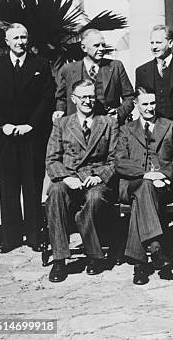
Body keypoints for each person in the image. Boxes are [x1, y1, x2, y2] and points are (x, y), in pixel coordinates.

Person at [0, 23, 54, 253]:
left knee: (32, 184)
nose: (20, 42)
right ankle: (11, 238)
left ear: (29, 39)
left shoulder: (40, 64)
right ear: (7, 41)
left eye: (23, 37)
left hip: (31, 136)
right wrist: (3, 125)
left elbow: (47, 98)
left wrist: (31, 125)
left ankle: (35, 236)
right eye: (15, 38)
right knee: (8, 187)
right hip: (5, 137)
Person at [45, 79, 119, 282]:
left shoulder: (108, 123)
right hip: (68, 177)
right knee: (55, 192)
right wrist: (66, 178)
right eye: (83, 97)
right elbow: (52, 159)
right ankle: (60, 259)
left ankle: (94, 256)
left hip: (96, 178)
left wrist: (98, 177)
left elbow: (115, 159)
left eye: (91, 96)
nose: (88, 101)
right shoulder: (62, 124)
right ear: (74, 99)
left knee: (95, 197)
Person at [115, 88, 173, 285]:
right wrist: (146, 175)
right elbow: (120, 162)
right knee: (144, 187)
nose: (150, 108)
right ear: (136, 105)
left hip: (164, 185)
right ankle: (157, 249)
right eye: (144, 104)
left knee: (142, 198)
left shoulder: (172, 126)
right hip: (131, 184)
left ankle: (139, 265)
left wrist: (162, 174)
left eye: (152, 103)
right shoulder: (126, 130)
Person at [53, 28, 134, 125]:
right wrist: (60, 110)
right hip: (78, 127)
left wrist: (119, 113)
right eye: (96, 45)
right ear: (84, 48)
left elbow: (129, 97)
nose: (101, 49)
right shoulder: (68, 70)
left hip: (108, 126)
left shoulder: (116, 66)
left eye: (103, 45)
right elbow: (61, 98)